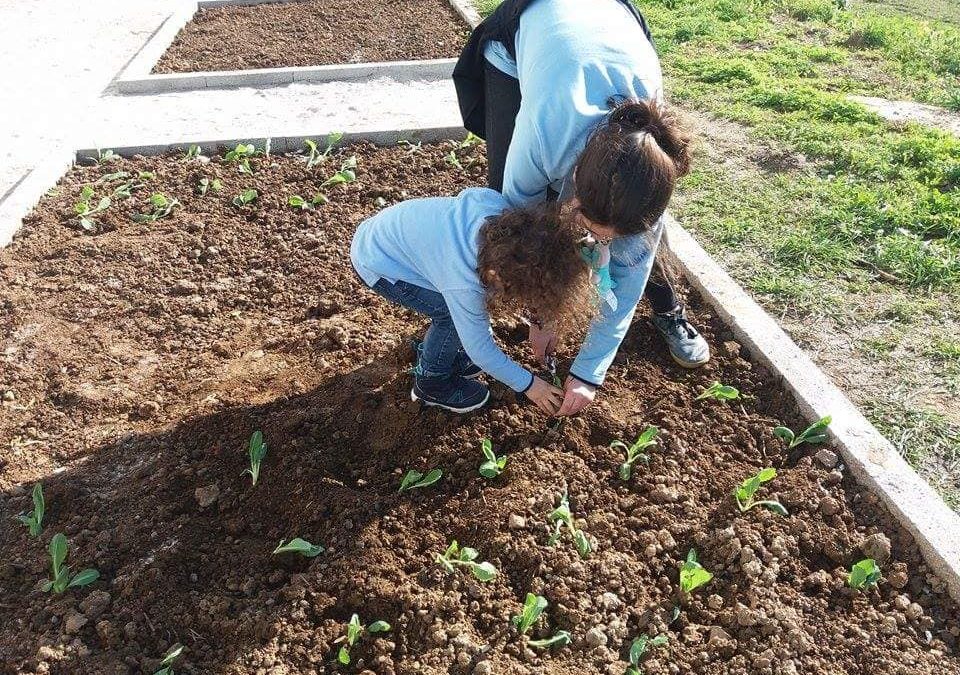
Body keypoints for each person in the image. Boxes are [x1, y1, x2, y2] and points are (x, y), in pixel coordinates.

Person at [453, 0, 710, 415]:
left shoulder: (651, 167)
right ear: (574, 183)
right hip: (529, 30)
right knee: (510, 219)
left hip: (612, 25)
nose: (599, 243)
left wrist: (590, 371)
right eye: (590, 227)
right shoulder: (544, 137)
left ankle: (668, 309)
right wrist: (542, 315)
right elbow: (521, 236)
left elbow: (627, 279)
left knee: (639, 251)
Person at [350, 188, 594, 414]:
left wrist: (541, 321)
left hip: (385, 233)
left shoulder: (502, 217)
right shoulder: (463, 282)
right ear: (496, 275)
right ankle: (431, 382)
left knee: (464, 319)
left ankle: (447, 356)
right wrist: (531, 385)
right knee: (450, 318)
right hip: (378, 263)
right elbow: (480, 351)